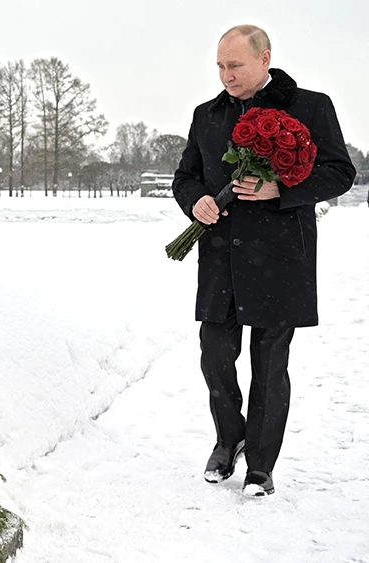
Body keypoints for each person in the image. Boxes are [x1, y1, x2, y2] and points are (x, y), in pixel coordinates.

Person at [172, 25, 355, 497]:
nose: (225, 75)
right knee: (214, 354)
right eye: (219, 65)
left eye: (235, 65)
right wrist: (197, 202)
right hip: (220, 256)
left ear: (265, 59)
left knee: (269, 364)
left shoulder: (310, 106)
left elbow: (340, 172)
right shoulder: (206, 115)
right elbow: (185, 177)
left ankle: (261, 464)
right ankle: (228, 438)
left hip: (280, 257)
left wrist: (283, 188)